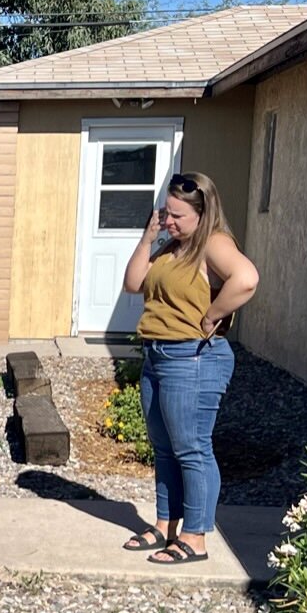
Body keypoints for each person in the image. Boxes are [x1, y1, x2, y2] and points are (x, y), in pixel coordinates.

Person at [120, 170, 259, 565]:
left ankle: (194, 536)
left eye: (178, 215)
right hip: (158, 357)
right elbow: (133, 283)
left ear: (202, 213)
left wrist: (213, 314)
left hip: (194, 360)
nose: (169, 221)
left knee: (192, 450)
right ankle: (167, 525)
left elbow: (247, 279)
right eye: (167, 212)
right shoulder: (170, 247)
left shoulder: (212, 243)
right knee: (165, 450)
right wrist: (149, 238)